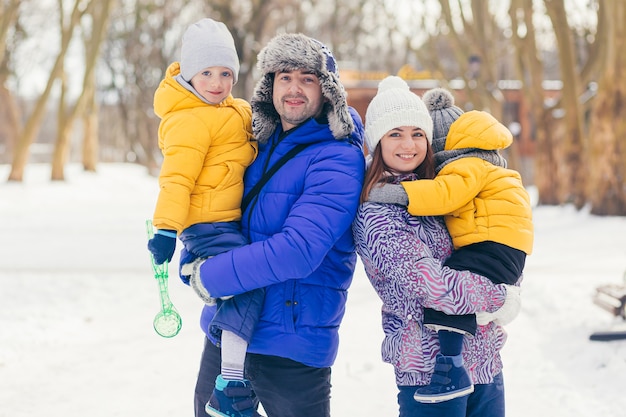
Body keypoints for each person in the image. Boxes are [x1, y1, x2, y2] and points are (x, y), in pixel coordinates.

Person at [181, 33, 365, 417]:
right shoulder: (252, 144)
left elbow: (297, 251)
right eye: (284, 77)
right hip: (227, 334)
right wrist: (193, 253)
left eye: (307, 78)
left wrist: (210, 276)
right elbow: (216, 205)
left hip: (292, 348)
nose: (294, 89)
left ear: (326, 90)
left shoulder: (338, 158)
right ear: (270, 85)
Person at [353, 76, 522, 417]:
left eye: (417, 133)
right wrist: (501, 297)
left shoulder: (443, 193)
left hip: (485, 361)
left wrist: (510, 280)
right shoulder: (376, 212)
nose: (408, 144)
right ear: (377, 140)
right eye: (395, 134)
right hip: (428, 371)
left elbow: (489, 241)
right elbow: (431, 285)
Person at [146, 18, 260, 417]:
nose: (217, 82)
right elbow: (176, 179)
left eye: (226, 73)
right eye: (207, 73)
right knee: (249, 286)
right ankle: (229, 379)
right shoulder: (188, 120)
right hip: (207, 226)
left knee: (249, 285)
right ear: (190, 75)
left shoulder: (238, 110)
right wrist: (165, 230)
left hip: (229, 222)